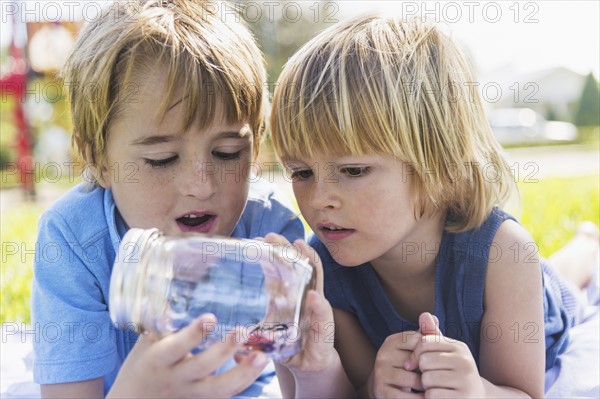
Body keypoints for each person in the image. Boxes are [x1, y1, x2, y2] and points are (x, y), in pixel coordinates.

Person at [268, 14, 600, 398]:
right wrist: (375, 386)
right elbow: (352, 390)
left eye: (353, 169)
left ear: (438, 164)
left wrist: (478, 390)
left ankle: (587, 242)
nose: (318, 198)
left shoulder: (506, 253)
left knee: (567, 281)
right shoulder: (326, 272)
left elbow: (522, 393)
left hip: (538, 299)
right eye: (301, 172)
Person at [30, 1, 305, 397]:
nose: (202, 185)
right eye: (162, 159)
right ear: (98, 158)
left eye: (227, 152)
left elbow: (299, 377)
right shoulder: (73, 239)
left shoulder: (268, 230)